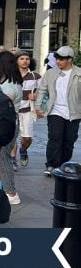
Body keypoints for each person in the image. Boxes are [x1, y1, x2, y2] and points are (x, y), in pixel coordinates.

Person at [36, 46, 81, 175]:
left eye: (61, 59)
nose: (58, 61)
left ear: (70, 60)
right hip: (55, 110)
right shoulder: (50, 73)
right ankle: (51, 165)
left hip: (74, 112)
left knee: (69, 140)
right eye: (57, 59)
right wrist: (38, 107)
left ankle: (63, 165)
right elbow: (42, 90)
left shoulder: (78, 73)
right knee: (55, 138)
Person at [0, 51, 22, 204]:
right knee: (1, 158)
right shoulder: (9, 81)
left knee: (4, 158)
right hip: (8, 124)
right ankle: (3, 189)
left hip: (7, 126)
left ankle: (11, 192)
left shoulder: (9, 84)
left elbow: (3, 106)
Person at [16, 51, 41, 167]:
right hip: (13, 111)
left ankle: (23, 150)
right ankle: (11, 158)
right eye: (22, 59)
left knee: (27, 138)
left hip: (27, 110)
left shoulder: (35, 76)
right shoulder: (10, 75)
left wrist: (37, 96)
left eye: (27, 59)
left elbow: (44, 91)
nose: (25, 61)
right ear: (16, 60)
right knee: (11, 137)